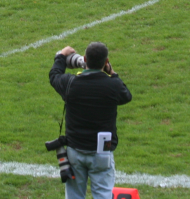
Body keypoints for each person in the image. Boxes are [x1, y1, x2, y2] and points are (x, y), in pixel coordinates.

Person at [49, 43, 131, 197]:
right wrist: (112, 72)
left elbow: (54, 75)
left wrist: (61, 56)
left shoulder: (70, 84)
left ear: (85, 59)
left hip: (75, 149)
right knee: (102, 194)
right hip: (102, 151)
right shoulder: (113, 85)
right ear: (106, 62)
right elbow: (126, 96)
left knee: (74, 195)